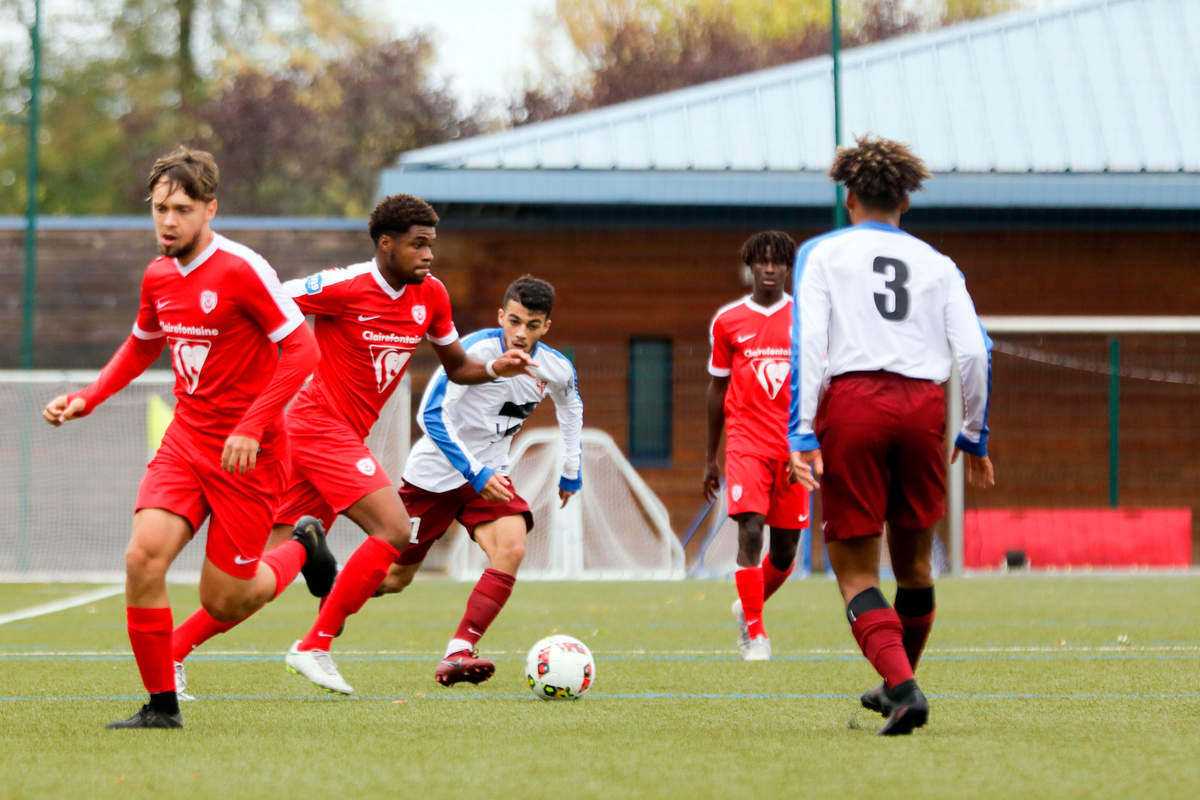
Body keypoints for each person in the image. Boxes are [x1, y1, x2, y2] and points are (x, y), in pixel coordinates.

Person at [168, 193, 535, 698]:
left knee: (256, 578)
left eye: (432, 245)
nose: (429, 255)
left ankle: (172, 653)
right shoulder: (343, 286)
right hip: (315, 426)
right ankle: (315, 645)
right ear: (386, 245)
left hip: (335, 441)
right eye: (418, 245)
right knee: (395, 527)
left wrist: (496, 366)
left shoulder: (431, 295)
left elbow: (457, 367)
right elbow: (267, 303)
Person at [42, 146, 321, 729]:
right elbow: (143, 343)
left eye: (183, 208)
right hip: (187, 444)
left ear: (210, 209)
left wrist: (252, 424)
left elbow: (303, 349)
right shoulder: (158, 274)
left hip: (250, 457)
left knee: (224, 600)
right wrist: (88, 396)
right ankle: (161, 707)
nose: (168, 220)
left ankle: (301, 547)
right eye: (160, 207)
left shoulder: (243, 270)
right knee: (142, 557)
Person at [786, 135, 995, 736]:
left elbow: (811, 348)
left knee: (855, 570)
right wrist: (974, 434)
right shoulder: (939, 264)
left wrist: (803, 432)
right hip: (925, 409)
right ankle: (897, 683)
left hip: (854, 404)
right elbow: (976, 354)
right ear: (906, 201)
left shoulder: (822, 254)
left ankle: (904, 690)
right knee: (915, 567)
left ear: (848, 197)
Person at [287, 274, 582, 693]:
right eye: (514, 320)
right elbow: (430, 416)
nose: (520, 333)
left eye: (532, 325)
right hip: (435, 476)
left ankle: (458, 651)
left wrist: (572, 468)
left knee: (512, 547)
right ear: (501, 315)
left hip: (490, 478)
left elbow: (571, 405)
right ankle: (330, 578)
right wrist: (474, 472)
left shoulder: (554, 367)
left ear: (546, 327)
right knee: (393, 579)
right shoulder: (475, 352)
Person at [703, 231, 809, 662]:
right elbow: (716, 388)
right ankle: (756, 635)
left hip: (792, 449)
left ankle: (745, 606)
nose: (769, 269)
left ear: (787, 267)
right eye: (761, 262)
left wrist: (813, 440)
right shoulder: (728, 320)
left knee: (785, 553)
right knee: (750, 530)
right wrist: (710, 457)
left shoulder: (806, 319)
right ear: (750, 266)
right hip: (745, 443)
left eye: (777, 262)